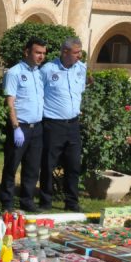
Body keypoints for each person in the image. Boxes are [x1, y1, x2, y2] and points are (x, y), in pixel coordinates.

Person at [39, 36, 87, 212]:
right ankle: (45, 201)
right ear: (65, 52)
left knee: (73, 165)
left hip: (73, 124)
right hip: (53, 125)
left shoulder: (81, 68)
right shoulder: (48, 70)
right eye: (76, 52)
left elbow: (80, 91)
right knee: (48, 164)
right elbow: (39, 94)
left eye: (80, 52)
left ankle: (72, 202)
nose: (79, 56)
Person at [0, 38, 47, 213]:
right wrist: (15, 127)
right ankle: (7, 202)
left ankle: (27, 201)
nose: (41, 56)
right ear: (26, 52)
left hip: (37, 127)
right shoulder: (14, 73)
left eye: (43, 53)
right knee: (11, 166)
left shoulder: (39, 73)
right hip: (20, 127)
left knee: (32, 168)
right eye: (37, 52)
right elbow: (10, 102)